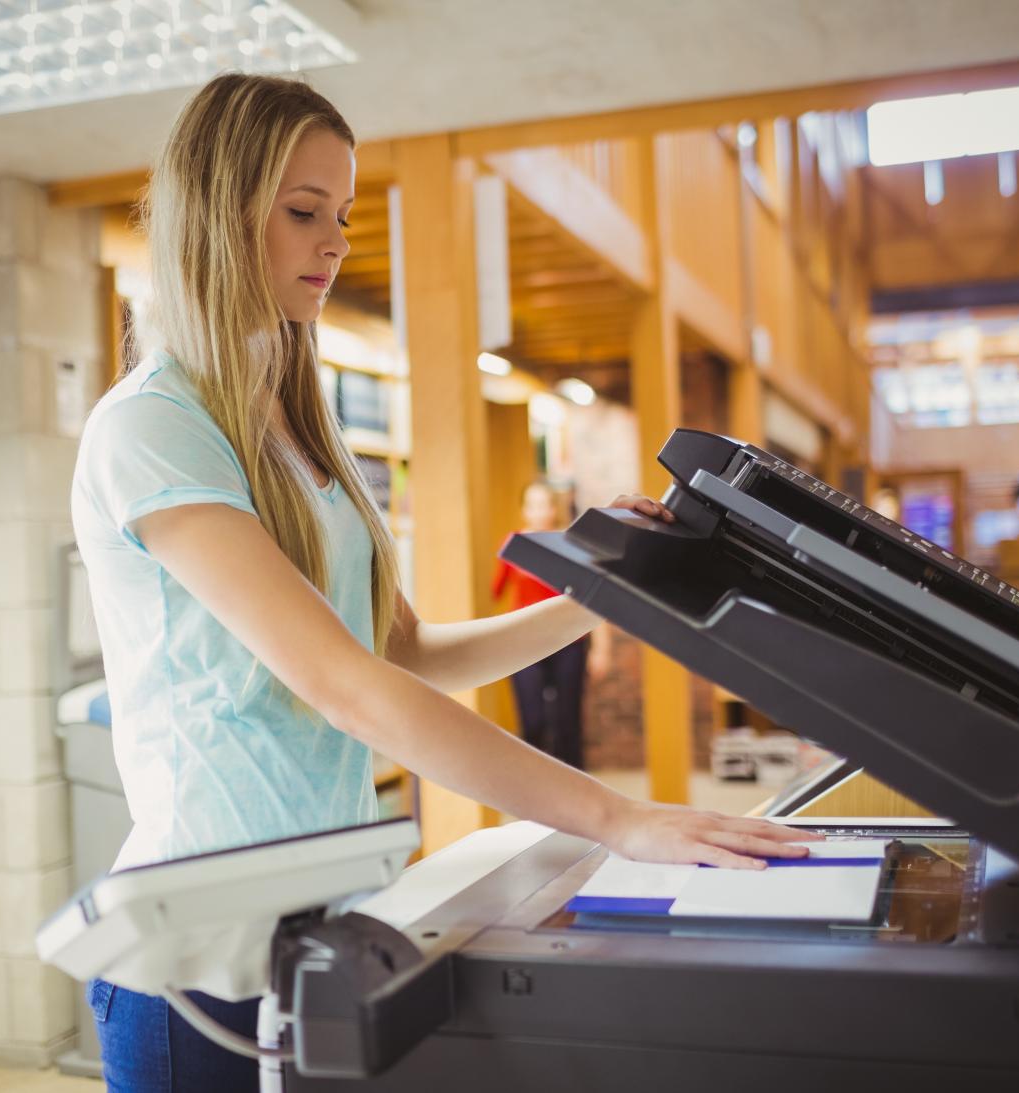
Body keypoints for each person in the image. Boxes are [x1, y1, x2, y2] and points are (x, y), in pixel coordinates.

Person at [69, 72, 815, 1093]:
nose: (332, 244)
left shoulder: (294, 424)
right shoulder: (152, 425)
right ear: (215, 212)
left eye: (340, 215)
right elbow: (344, 684)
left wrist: (602, 597)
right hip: (199, 956)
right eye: (300, 213)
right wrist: (615, 817)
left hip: (314, 924)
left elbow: (402, 649)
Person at [492, 481, 612, 768]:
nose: (538, 511)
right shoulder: (513, 544)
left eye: (544, 504)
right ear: (523, 510)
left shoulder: (568, 543)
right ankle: (534, 793)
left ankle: (576, 795)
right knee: (532, 721)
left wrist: (601, 648)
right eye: (531, 505)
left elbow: (591, 597)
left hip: (567, 643)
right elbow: (496, 591)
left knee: (567, 723)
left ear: (552, 509)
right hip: (524, 645)